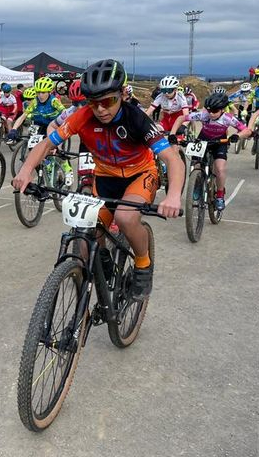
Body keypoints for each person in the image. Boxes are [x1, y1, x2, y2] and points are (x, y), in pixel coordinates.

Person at [13, 59, 184, 300]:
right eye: (94, 104)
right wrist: (26, 170)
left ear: (122, 95)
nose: (101, 109)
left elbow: (172, 159)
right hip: (104, 177)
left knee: (124, 217)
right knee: (85, 237)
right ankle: (102, 263)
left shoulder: (136, 118)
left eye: (108, 101)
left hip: (139, 175)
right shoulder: (82, 116)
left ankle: (143, 264)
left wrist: (174, 195)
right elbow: (47, 143)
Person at [171, 93, 246, 210]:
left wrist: (237, 135)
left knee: (220, 169)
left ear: (222, 110)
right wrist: (172, 134)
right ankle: (196, 182)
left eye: (214, 111)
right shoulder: (203, 115)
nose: (211, 113)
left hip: (220, 142)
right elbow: (181, 118)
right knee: (196, 164)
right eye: (209, 110)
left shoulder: (228, 118)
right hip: (203, 139)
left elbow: (246, 130)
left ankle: (220, 196)